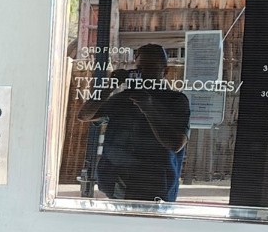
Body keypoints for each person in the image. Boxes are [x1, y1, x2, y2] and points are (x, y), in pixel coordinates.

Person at [78, 43, 191, 202]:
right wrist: (110, 87)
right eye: (139, 68)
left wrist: (148, 109)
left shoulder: (175, 101)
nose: (144, 73)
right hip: (118, 183)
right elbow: (84, 115)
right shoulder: (125, 97)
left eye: (151, 68)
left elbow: (176, 144)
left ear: (165, 71)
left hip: (155, 187)